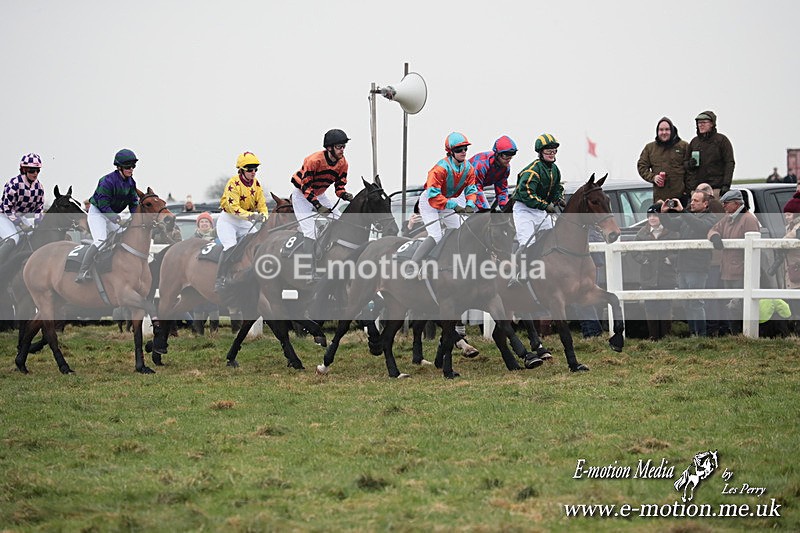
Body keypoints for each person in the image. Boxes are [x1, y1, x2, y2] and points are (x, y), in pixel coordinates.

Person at [290, 129, 353, 278]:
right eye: (339, 147)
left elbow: (339, 187)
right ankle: (307, 269)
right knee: (310, 230)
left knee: (340, 220)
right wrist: (318, 207)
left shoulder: (343, 163)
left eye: (344, 146)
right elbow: (305, 187)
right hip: (301, 195)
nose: (342, 150)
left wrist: (344, 194)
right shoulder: (313, 161)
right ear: (329, 148)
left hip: (320, 193)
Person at [410, 132, 477, 265]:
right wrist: (454, 206)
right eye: (459, 149)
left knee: (460, 231)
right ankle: (412, 265)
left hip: (447, 202)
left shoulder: (469, 169)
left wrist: (470, 204)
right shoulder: (440, 169)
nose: (463, 152)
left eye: (465, 149)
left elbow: (471, 189)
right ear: (451, 152)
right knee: (436, 235)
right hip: (430, 202)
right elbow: (434, 196)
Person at [76, 149, 140, 283]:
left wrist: (136, 218)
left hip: (112, 214)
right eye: (128, 166)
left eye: (133, 166)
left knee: (123, 236)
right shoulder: (106, 181)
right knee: (100, 241)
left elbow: (134, 203)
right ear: (119, 167)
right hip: (98, 212)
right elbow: (103, 205)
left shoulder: (131, 183)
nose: (131, 169)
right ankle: (83, 271)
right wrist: (116, 219)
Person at [659, 191, 717, 336]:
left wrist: (683, 211)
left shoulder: (711, 218)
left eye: (696, 201)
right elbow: (672, 225)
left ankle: (701, 335)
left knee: (696, 303)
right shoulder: (687, 217)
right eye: (692, 200)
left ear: (705, 204)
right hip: (683, 266)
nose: (692, 203)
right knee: (686, 303)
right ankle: (693, 333)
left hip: (697, 267)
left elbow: (700, 227)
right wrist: (664, 214)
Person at [707, 189, 760, 334]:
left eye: (726, 203)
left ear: (736, 204)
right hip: (727, 271)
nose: (724, 206)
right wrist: (715, 237)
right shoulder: (728, 218)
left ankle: (742, 334)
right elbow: (713, 229)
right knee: (731, 305)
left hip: (741, 271)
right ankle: (736, 334)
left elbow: (754, 247)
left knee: (739, 306)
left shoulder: (748, 219)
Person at [215, 152, 268, 291]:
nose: (253, 172)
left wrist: (264, 215)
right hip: (228, 220)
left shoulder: (256, 184)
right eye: (250, 169)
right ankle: (220, 279)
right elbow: (233, 208)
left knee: (258, 243)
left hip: (244, 222)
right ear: (242, 170)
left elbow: (262, 204)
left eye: (255, 169)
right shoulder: (233, 183)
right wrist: (252, 216)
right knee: (230, 246)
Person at [511, 133, 565, 252]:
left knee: (555, 239)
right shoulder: (532, 171)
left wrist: (558, 199)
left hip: (541, 211)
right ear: (540, 152)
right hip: (525, 210)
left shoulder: (555, 169)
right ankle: (518, 269)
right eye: (548, 151)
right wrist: (546, 206)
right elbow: (527, 193)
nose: (552, 154)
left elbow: (557, 188)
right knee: (527, 244)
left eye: (554, 151)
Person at [632, 204, 677, 340]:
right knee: (650, 307)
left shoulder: (671, 231)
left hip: (666, 275)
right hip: (648, 276)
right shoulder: (642, 233)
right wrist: (643, 260)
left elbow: (679, 250)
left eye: (655, 215)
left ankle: (666, 336)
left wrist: (671, 259)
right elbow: (634, 251)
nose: (652, 218)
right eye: (650, 216)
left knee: (665, 307)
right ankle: (653, 336)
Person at [0, 153, 45, 266]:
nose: (35, 173)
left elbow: (39, 207)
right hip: (3, 216)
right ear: (24, 169)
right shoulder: (13, 184)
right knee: (13, 238)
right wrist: (20, 224)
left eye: (37, 170)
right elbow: (7, 208)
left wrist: (38, 222)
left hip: (19, 216)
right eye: (32, 170)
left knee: (32, 236)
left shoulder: (39, 187)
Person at [637, 117, 690, 203]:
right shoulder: (650, 148)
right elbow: (641, 166)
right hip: (660, 199)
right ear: (657, 131)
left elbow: (691, 171)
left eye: (667, 129)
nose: (664, 132)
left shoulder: (683, 146)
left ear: (672, 130)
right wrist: (653, 177)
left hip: (680, 198)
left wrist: (687, 192)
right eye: (661, 130)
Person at [685, 111, 735, 198]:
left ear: (712, 124)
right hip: (697, 190)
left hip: (715, 189)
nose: (700, 125)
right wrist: (690, 164)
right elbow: (685, 163)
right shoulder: (694, 142)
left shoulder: (722, 140)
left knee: (715, 211)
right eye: (699, 123)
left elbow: (729, 163)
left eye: (704, 122)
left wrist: (726, 185)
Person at [468, 135, 517, 211]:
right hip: (461, 187)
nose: (508, 159)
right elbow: (476, 189)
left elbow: (502, 190)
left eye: (511, 156)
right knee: (485, 214)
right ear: (497, 154)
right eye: (505, 156)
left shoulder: (506, 168)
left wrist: (506, 209)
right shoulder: (481, 164)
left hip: (476, 188)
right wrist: (486, 210)